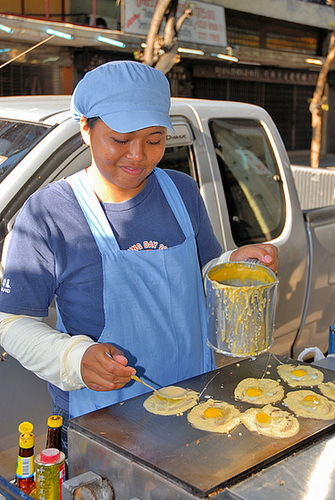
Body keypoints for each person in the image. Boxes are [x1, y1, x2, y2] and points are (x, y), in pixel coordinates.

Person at [0, 61, 278, 452]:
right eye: (120, 139)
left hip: (192, 400)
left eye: (154, 139)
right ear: (85, 129)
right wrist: (73, 357)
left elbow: (203, 274)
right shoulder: (49, 213)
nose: (138, 156)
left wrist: (237, 265)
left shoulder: (180, 191)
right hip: (99, 418)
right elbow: (11, 322)